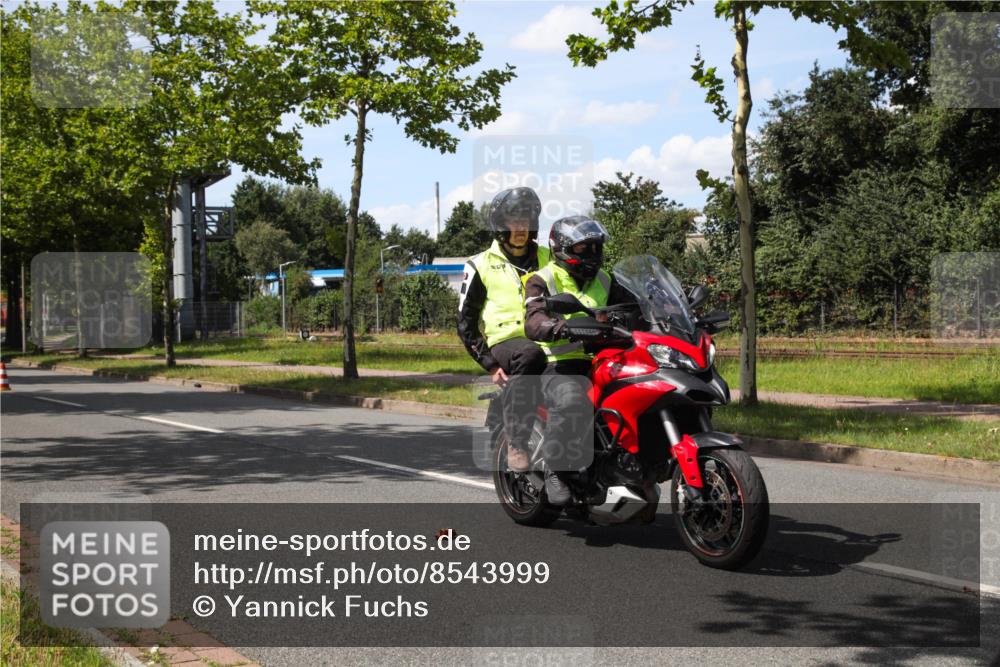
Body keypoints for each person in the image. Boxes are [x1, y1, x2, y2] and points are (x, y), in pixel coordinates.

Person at [524, 215, 634, 505]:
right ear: (561, 249)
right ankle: (556, 468)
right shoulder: (542, 279)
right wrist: (558, 327)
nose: (592, 254)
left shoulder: (605, 279)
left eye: (596, 247)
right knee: (572, 398)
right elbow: (533, 319)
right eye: (584, 248)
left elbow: (635, 307)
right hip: (561, 363)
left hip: (605, 358)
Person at [457, 187, 550, 472]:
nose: (521, 227)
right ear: (501, 225)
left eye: (526, 220)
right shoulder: (480, 264)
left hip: (550, 339)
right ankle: (517, 441)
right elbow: (465, 321)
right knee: (530, 354)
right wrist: (490, 363)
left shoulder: (550, 258)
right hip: (507, 344)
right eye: (514, 220)